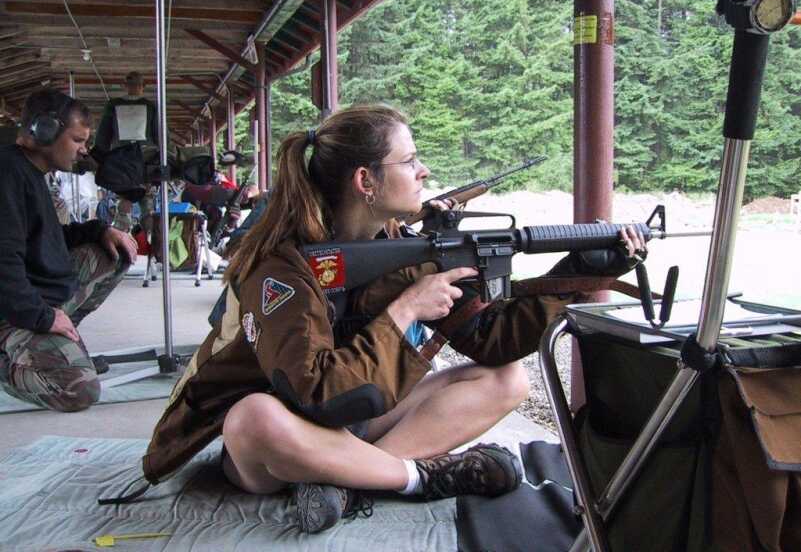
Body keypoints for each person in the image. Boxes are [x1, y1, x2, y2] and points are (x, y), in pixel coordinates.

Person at [142, 105, 646, 533]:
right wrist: (406, 310)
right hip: (276, 442)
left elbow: (493, 339)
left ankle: (349, 479)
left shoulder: (399, 247)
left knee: (506, 379)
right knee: (252, 417)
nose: (423, 171)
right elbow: (316, 395)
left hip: (353, 423)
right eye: (409, 160)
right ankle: (416, 477)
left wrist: (581, 271)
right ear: (366, 180)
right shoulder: (283, 266)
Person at [0, 89, 138, 412]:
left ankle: (54, 343)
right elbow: (3, 263)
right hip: (12, 311)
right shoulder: (7, 173)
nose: (83, 150)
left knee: (116, 253)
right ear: (44, 131)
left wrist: (101, 230)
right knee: (80, 390)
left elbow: (44, 238)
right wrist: (43, 317)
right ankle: (15, 357)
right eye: (77, 140)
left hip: (35, 294)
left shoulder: (32, 172)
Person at [93, 71, 159, 233]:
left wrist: (99, 155)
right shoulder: (150, 106)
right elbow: (159, 134)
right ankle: (150, 241)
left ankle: (123, 240)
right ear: (143, 87)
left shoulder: (114, 105)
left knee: (126, 200)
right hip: (144, 158)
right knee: (145, 202)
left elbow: (103, 135)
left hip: (121, 159)